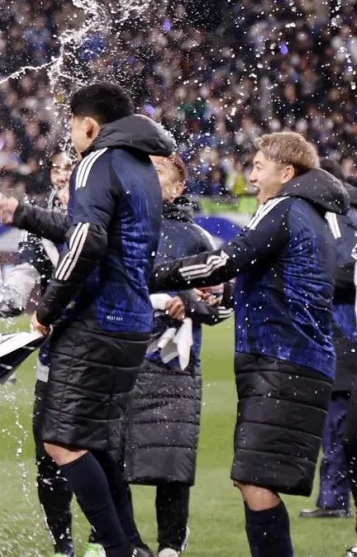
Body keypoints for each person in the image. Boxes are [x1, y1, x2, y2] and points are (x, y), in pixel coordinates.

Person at [0, 82, 174, 557]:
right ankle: (130, 544)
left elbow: (86, 243)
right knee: (94, 441)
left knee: (61, 441)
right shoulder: (141, 168)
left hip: (97, 320)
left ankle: (117, 548)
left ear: (87, 124)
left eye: (72, 125)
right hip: (130, 321)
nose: (71, 135)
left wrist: (47, 312)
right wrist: (25, 215)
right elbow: (96, 234)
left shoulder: (95, 160)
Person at [153, 132, 346, 557]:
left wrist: (151, 275)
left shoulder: (283, 208)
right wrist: (228, 293)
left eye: (259, 166)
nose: (251, 175)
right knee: (251, 481)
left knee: (256, 483)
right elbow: (281, 281)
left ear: (287, 172)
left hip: (284, 362)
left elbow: (225, 260)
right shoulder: (308, 212)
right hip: (292, 361)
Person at [122, 154, 233, 557]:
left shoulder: (196, 239)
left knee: (173, 462)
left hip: (175, 367)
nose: (150, 179)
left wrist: (189, 302)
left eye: (160, 172)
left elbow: (221, 306)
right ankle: (130, 543)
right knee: (114, 460)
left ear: (178, 185)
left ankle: (170, 546)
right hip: (121, 360)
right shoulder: (120, 229)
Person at [301, 159, 357, 521]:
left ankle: (335, 499)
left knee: (337, 422)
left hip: (342, 335)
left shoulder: (337, 218)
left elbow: (341, 273)